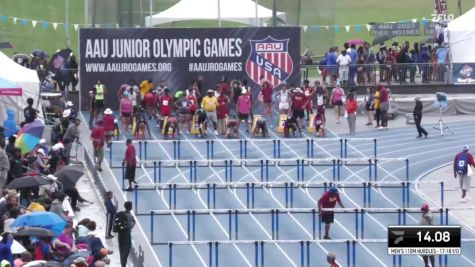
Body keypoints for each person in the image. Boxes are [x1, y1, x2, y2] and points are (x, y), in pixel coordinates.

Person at [117, 201, 135, 267]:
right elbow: (129, 227)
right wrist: (134, 223)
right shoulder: (129, 216)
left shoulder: (120, 214)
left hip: (120, 234)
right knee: (126, 251)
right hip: (126, 235)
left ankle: (122, 264)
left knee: (121, 250)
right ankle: (123, 265)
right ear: (130, 207)